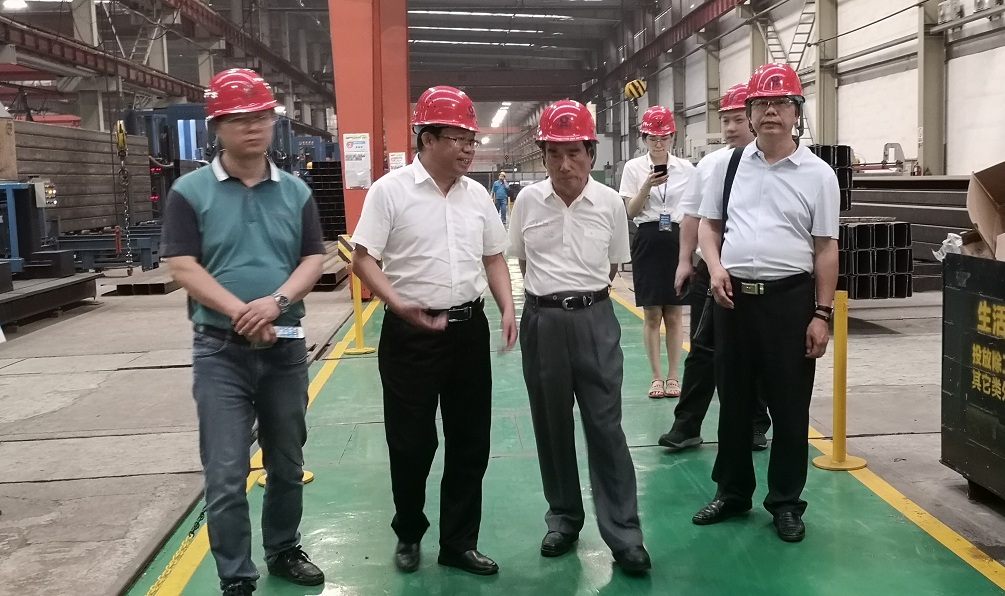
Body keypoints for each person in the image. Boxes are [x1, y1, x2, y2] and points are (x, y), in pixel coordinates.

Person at [161, 69, 326, 596]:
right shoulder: (190, 192)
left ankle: (283, 549)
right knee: (226, 472)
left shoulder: (296, 192)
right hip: (221, 352)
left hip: (284, 350)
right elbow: (182, 265)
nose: (252, 127)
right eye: (238, 119)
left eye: (260, 117)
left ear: (272, 123)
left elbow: (313, 259)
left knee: (287, 461)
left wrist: (277, 302)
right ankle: (236, 575)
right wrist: (241, 311)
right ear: (217, 127)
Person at [351, 85, 517, 576]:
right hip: (411, 335)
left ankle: (458, 542)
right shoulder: (390, 191)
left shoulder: (478, 196)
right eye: (458, 139)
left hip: (468, 331)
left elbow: (494, 258)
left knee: (470, 441)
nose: (468, 149)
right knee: (411, 443)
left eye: (471, 140)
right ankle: (409, 531)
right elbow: (363, 259)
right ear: (426, 138)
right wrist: (396, 301)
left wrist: (508, 308)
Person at [691, 63, 840, 543]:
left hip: (789, 303)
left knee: (790, 407)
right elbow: (709, 225)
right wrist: (715, 266)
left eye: (780, 103)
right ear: (750, 113)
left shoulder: (818, 175)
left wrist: (821, 314)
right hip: (734, 301)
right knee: (733, 402)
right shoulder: (728, 166)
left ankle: (786, 503)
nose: (770, 111)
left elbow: (825, 248)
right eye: (760, 104)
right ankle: (733, 493)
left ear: (797, 112)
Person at [509, 100, 651, 575]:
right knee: (551, 426)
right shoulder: (527, 202)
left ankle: (625, 534)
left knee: (605, 426)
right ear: (543, 156)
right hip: (543, 323)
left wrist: (581, 299)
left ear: (591, 153)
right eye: (554, 153)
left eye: (574, 153)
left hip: (595, 320)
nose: (565, 164)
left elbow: (611, 267)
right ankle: (564, 519)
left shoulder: (610, 204)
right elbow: (523, 261)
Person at [658, 83, 772, 452]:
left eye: (737, 119)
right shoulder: (710, 165)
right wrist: (684, 261)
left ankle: (755, 424)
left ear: (753, 118)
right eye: (725, 120)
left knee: (755, 350)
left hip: (757, 272)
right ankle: (687, 424)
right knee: (704, 349)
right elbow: (693, 215)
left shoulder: (777, 164)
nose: (730, 127)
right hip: (712, 269)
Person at [619, 106, 696, 399]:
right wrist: (646, 187)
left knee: (674, 313)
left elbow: (694, 210)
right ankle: (656, 377)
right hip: (648, 239)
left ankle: (674, 376)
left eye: (664, 137)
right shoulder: (633, 168)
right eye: (653, 138)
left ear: (672, 137)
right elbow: (630, 211)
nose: (659, 143)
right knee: (652, 313)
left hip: (677, 238)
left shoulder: (687, 170)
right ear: (644, 139)